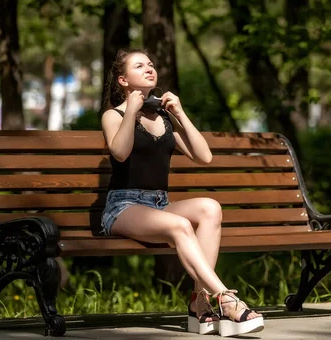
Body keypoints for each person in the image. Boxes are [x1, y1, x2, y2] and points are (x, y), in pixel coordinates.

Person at [100, 48, 264, 337]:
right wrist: (132, 110)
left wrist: (179, 113)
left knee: (210, 207)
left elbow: (204, 156)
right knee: (180, 225)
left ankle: (199, 304)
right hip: (123, 207)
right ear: (124, 80)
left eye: (151, 64)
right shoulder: (113, 116)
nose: (149, 68)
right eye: (140, 66)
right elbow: (121, 153)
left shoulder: (164, 119)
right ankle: (226, 298)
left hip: (159, 205)